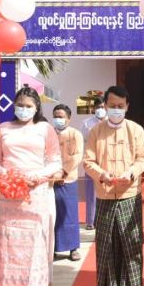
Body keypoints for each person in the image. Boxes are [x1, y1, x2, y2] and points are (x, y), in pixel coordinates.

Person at [0, 87, 63, 286]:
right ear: (14, 106)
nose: (23, 109)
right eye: (20, 105)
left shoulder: (45, 129)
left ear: (36, 107)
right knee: (10, 247)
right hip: (10, 194)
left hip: (35, 193)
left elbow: (55, 162)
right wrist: (8, 175)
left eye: (28, 106)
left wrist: (37, 177)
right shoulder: (3, 129)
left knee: (34, 246)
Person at [84, 86, 144, 286]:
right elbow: (88, 161)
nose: (116, 109)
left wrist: (131, 173)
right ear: (104, 105)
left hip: (129, 194)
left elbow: (143, 158)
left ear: (127, 106)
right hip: (104, 194)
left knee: (131, 244)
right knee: (105, 245)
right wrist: (102, 174)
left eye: (120, 106)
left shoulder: (136, 130)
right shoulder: (96, 131)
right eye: (112, 105)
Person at [53, 103, 83, 262]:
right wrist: (53, 174)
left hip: (68, 179)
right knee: (53, 214)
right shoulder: (49, 134)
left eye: (61, 117)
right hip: (51, 179)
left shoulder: (75, 134)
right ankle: (53, 248)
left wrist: (63, 173)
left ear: (69, 119)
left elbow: (77, 156)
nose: (58, 119)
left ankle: (73, 248)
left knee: (69, 214)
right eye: (55, 116)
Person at [81, 96, 106, 230]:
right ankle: (90, 221)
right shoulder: (87, 123)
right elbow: (83, 140)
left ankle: (104, 220)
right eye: (98, 107)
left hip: (106, 160)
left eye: (102, 107)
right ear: (93, 108)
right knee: (91, 192)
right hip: (91, 159)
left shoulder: (110, 121)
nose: (100, 109)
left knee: (106, 190)